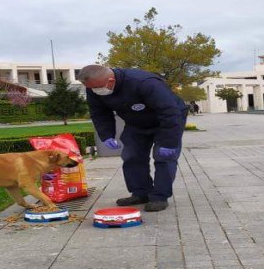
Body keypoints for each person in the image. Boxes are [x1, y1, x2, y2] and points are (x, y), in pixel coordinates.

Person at [77, 64, 188, 212]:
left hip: (167, 120)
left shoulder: (145, 82)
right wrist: (107, 135)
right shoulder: (93, 87)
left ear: (110, 80)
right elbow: (99, 113)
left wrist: (169, 142)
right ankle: (141, 193)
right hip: (136, 122)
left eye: (97, 87)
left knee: (163, 157)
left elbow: (169, 112)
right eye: (90, 88)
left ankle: (160, 197)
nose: (95, 91)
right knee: (131, 156)